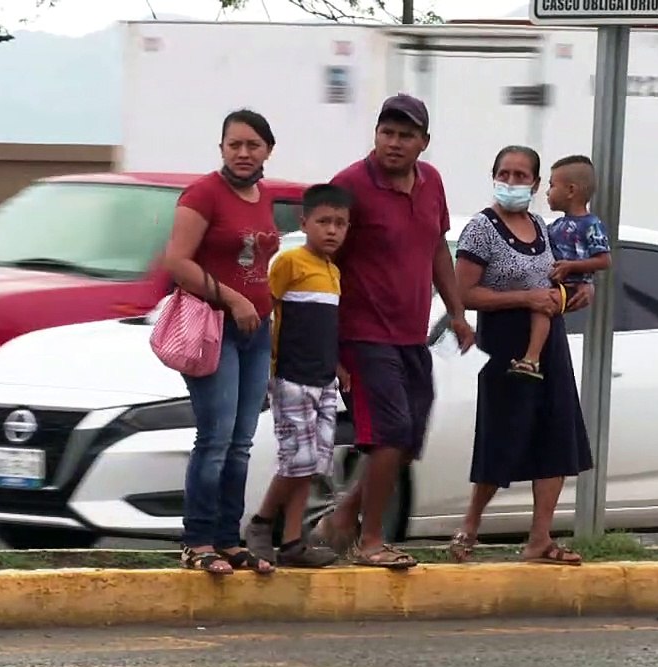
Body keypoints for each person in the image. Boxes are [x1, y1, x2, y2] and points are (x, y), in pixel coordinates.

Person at [311, 94, 476, 569]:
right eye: (387, 133)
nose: (395, 143)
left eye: (406, 136)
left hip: (411, 336)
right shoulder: (350, 186)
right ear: (376, 135)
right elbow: (322, 263)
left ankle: (341, 518)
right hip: (363, 334)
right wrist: (330, 345)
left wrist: (458, 312)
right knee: (388, 434)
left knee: (408, 439)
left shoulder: (432, 183)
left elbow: (438, 251)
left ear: (424, 142)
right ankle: (370, 540)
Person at [449, 144, 595, 566]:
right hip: (505, 341)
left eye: (521, 176)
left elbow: (560, 280)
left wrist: (572, 295)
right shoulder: (481, 229)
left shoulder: (544, 228)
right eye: (505, 173)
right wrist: (525, 297)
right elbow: (466, 293)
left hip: (550, 341)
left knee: (556, 434)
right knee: (502, 435)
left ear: (534, 184)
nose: (512, 182)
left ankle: (540, 538)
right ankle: (470, 525)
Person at [162, 109, 282, 575]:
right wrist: (233, 300)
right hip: (214, 328)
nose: (244, 152)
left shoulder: (263, 197)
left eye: (253, 144)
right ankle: (198, 541)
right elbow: (177, 261)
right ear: (222, 149)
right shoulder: (203, 194)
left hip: (256, 331)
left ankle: (229, 540)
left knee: (242, 441)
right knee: (214, 438)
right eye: (235, 144)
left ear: (268, 149)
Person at [242, 184, 353, 569]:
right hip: (291, 376)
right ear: (304, 222)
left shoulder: (333, 271)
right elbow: (267, 314)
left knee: (315, 463)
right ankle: (260, 523)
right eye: (324, 221)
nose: (332, 230)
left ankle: (292, 542)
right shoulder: (289, 263)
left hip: (323, 381)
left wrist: (337, 366)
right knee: (297, 459)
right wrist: (265, 369)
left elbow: (326, 328)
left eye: (340, 223)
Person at [509, 154, 611, 380]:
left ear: (571, 191)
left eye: (552, 185)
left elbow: (604, 260)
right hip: (552, 282)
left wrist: (572, 267)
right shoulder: (554, 225)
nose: (547, 192)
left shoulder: (591, 225)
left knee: (542, 305)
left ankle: (532, 359)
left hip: (571, 287)